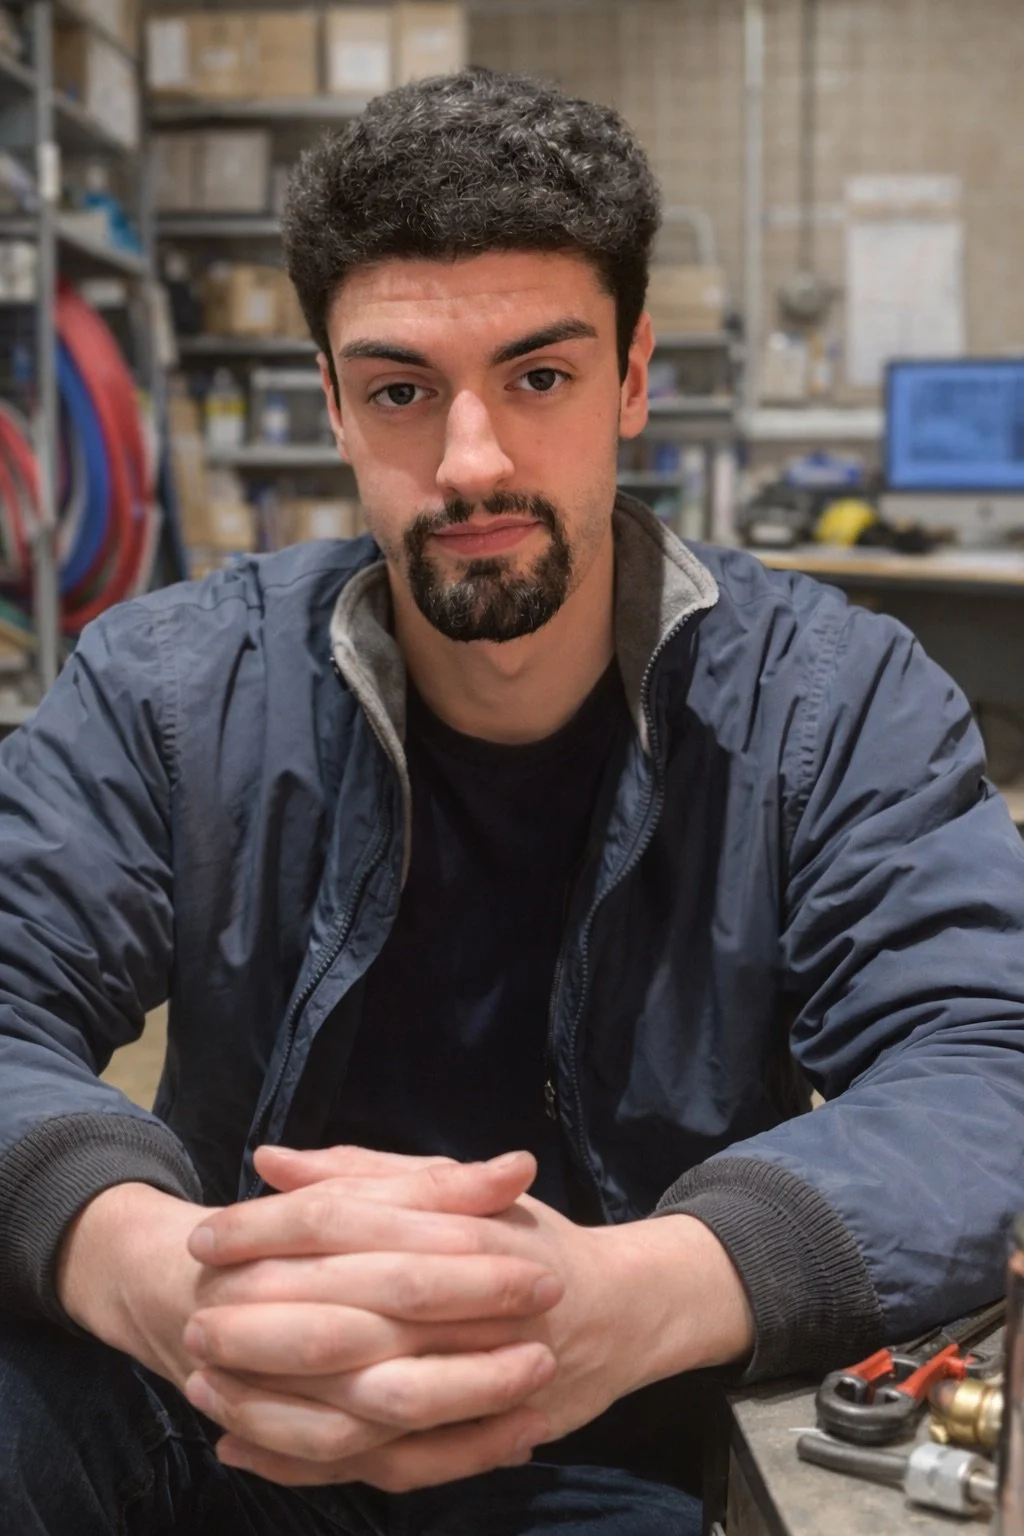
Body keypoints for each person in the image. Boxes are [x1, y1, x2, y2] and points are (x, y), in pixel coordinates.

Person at [1, 66, 1023, 1536]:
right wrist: (157, 1274)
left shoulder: (836, 706)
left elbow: (983, 1064)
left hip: (630, 1432)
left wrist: (637, 1294)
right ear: (337, 410)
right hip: (225, 1417)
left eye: (538, 377)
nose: (470, 460)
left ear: (630, 379)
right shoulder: (168, 693)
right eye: (402, 390)